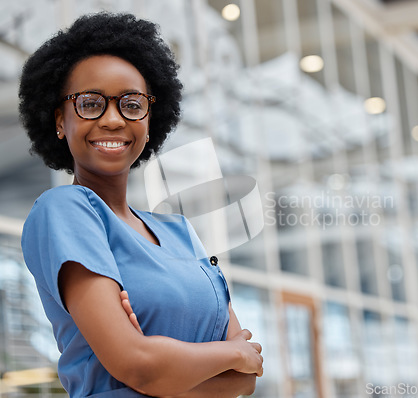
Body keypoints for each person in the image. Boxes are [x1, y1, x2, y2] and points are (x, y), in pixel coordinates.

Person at [19, 12, 263, 398]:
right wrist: (228, 353)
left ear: (150, 121)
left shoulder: (180, 232)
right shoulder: (64, 210)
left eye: (131, 105)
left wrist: (168, 365)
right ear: (60, 120)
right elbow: (138, 365)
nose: (113, 119)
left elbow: (245, 379)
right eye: (90, 103)